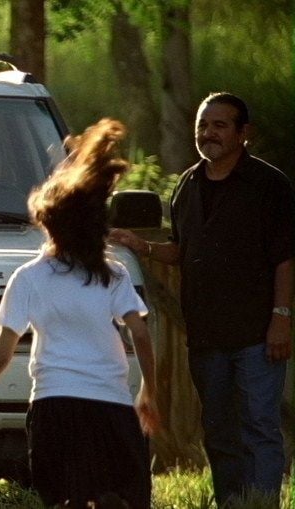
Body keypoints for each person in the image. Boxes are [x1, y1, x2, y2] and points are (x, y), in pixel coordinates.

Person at [0, 119, 161, 508]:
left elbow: (2, 354)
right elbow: (140, 335)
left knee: (65, 499)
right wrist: (149, 392)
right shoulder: (112, 273)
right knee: (125, 496)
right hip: (111, 406)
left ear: (47, 224)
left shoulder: (30, 277)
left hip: (55, 407)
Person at [110, 93, 293, 506]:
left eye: (219, 125)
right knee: (219, 429)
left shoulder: (269, 186)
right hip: (206, 334)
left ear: (244, 134)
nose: (208, 134)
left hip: (258, 334)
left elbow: (285, 259)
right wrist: (143, 246)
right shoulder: (187, 185)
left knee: (259, 427)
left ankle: (261, 503)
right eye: (202, 125)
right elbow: (181, 249)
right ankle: (231, 501)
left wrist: (281, 317)